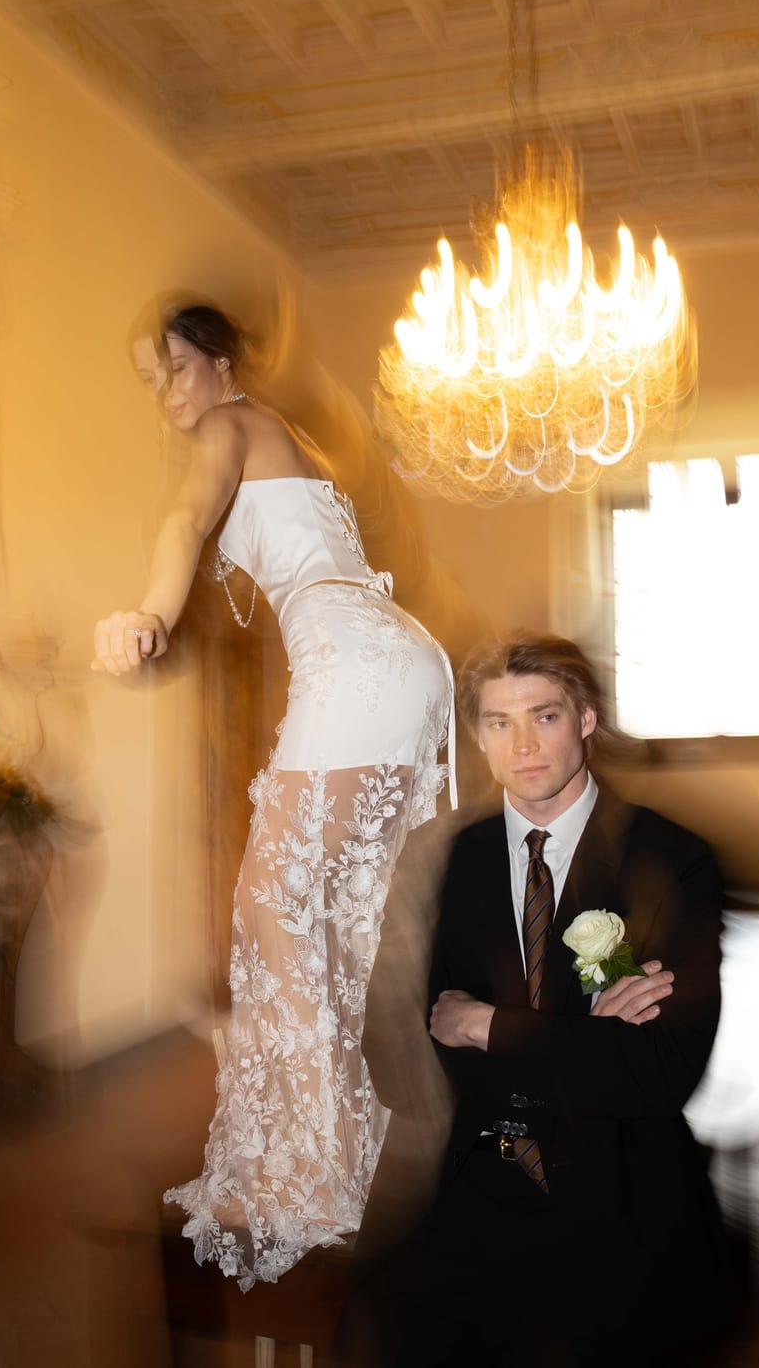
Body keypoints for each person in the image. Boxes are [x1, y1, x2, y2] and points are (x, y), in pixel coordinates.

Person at [92, 302, 454, 1291]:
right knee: (331, 918)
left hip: (356, 662)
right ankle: (352, 1144)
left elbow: (184, 518)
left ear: (219, 364)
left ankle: (314, 1171)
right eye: (152, 381)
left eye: (176, 369)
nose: (168, 395)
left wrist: (148, 612)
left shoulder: (229, 424)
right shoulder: (286, 436)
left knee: (271, 905)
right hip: (392, 660)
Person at [358, 632, 733, 1367]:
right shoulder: (436, 857)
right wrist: (584, 1036)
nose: (523, 744)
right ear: (477, 736)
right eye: (499, 722)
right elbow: (399, 1053)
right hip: (474, 1203)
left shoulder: (671, 858)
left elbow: (664, 1072)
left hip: (625, 1207)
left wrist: (488, 1026)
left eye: (546, 716)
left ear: (586, 718)